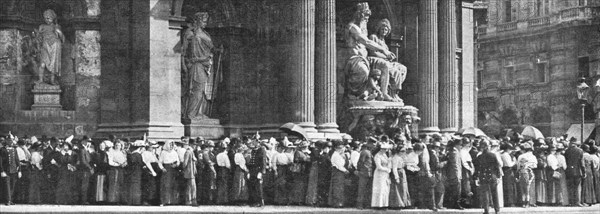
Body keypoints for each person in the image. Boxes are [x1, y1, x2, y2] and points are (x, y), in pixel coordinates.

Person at [343, 2, 397, 102]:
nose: (367, 20)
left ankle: (384, 93)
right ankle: (358, 96)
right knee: (363, 71)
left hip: (366, 59)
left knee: (384, 65)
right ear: (359, 15)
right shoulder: (352, 27)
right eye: (366, 17)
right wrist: (384, 51)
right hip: (355, 59)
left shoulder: (363, 29)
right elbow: (367, 42)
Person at [181, 12, 220, 120]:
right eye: (203, 21)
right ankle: (191, 114)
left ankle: (198, 112)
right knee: (196, 89)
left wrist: (218, 50)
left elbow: (211, 48)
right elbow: (183, 51)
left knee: (202, 89)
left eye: (206, 21)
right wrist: (184, 65)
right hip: (196, 64)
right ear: (197, 21)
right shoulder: (190, 33)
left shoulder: (206, 34)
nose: (205, 24)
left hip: (206, 64)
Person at [367, 18, 407, 101]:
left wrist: (390, 57)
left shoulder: (384, 43)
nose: (384, 31)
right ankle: (384, 92)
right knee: (389, 68)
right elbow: (372, 52)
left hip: (384, 61)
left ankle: (394, 93)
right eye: (382, 29)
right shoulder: (373, 37)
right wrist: (386, 57)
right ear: (378, 29)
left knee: (402, 68)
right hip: (375, 60)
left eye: (386, 29)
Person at [36, 9, 64, 85]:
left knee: (53, 64)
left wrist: (59, 31)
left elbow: (62, 39)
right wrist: (38, 45)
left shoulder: (57, 26)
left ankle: (52, 80)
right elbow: (38, 38)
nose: (47, 20)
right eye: (45, 18)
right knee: (42, 64)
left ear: (52, 17)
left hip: (55, 45)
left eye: (48, 18)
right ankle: (40, 80)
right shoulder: (41, 26)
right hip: (45, 46)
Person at [473, 140, 502, 214]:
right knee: (494, 193)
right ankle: (497, 209)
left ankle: (486, 210)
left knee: (485, 194)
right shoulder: (493, 155)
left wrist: (475, 177)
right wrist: (498, 176)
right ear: (488, 146)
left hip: (483, 176)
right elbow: (497, 166)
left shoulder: (479, 157)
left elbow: (477, 168)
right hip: (492, 176)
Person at [158, 141, 179, 206]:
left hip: (173, 170)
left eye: (172, 145)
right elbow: (160, 162)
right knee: (165, 185)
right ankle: (165, 201)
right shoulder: (163, 152)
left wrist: (176, 165)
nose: (171, 147)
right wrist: (162, 168)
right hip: (166, 170)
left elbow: (178, 161)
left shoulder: (174, 152)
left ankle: (173, 201)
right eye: (170, 145)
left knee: (173, 185)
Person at [328, 141, 349, 208]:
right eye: (341, 148)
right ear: (337, 148)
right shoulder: (336, 155)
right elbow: (339, 166)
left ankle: (339, 202)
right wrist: (345, 170)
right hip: (337, 172)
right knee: (337, 187)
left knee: (340, 187)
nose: (342, 150)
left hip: (340, 172)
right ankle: (337, 203)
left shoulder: (338, 155)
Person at [389, 144, 410, 209]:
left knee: (403, 188)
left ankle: (404, 203)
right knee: (397, 189)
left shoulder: (400, 157)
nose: (404, 152)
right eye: (402, 151)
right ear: (398, 151)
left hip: (402, 172)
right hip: (398, 173)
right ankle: (397, 204)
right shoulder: (395, 158)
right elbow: (394, 168)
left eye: (404, 151)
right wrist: (396, 177)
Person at [564, 140, 584, 206]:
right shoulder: (580, 151)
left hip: (569, 171)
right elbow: (582, 163)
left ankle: (571, 202)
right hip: (578, 171)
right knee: (577, 187)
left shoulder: (567, 151)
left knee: (570, 187)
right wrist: (584, 172)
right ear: (576, 144)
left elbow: (566, 161)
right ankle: (577, 202)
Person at [247, 140, 267, 207]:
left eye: (256, 142)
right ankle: (255, 201)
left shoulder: (262, 150)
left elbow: (263, 161)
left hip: (258, 169)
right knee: (253, 186)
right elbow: (251, 162)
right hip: (252, 170)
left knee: (258, 186)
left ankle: (260, 201)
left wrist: (261, 172)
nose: (254, 143)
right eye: (254, 142)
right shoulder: (253, 150)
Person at [371, 142, 392, 208]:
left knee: (385, 189)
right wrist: (386, 169)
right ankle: (378, 204)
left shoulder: (385, 155)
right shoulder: (377, 156)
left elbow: (388, 162)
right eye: (384, 149)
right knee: (380, 188)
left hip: (385, 174)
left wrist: (389, 167)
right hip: (379, 174)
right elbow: (379, 166)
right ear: (380, 149)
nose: (385, 150)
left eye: (386, 149)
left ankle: (384, 204)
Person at [1, 138, 21, 205]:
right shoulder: (2, 149)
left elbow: (17, 160)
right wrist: (1, 171)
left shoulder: (14, 149)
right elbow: (0, 161)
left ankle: (11, 199)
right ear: (6, 141)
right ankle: (8, 200)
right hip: (6, 170)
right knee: (7, 186)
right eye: (9, 140)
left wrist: (19, 171)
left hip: (14, 170)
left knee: (12, 185)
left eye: (11, 140)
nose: (10, 142)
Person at [290, 141, 311, 205]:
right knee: (298, 185)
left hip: (305, 170)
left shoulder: (308, 152)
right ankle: (297, 200)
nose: (306, 147)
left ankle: (302, 199)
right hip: (299, 170)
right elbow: (295, 160)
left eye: (306, 146)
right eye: (304, 146)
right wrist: (304, 159)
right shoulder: (298, 152)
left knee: (303, 185)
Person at [517, 142, 537, 207]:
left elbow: (518, 166)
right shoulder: (533, 156)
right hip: (530, 172)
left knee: (523, 188)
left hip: (522, 173)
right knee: (530, 187)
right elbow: (535, 165)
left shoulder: (520, 156)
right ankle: (530, 202)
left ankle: (523, 202)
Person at [356, 140, 374, 209]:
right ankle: (359, 204)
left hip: (368, 173)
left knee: (366, 189)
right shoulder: (365, 152)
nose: (373, 145)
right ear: (369, 144)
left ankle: (365, 204)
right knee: (362, 189)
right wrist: (359, 170)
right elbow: (361, 162)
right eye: (372, 144)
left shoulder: (369, 152)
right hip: (364, 173)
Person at [126, 141, 145, 205]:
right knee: (136, 186)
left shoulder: (132, 155)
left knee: (133, 186)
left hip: (133, 173)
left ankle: (132, 201)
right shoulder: (137, 155)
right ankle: (136, 201)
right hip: (136, 173)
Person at [181, 139, 198, 206]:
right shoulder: (188, 152)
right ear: (190, 144)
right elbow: (185, 163)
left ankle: (192, 201)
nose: (195, 146)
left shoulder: (191, 151)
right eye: (194, 144)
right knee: (191, 187)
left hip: (192, 172)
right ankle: (189, 201)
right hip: (189, 173)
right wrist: (184, 170)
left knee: (192, 187)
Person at [500, 143, 517, 207]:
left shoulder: (501, 154)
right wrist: (514, 161)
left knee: (506, 186)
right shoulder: (506, 155)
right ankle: (510, 202)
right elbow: (509, 164)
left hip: (505, 170)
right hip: (508, 170)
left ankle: (507, 201)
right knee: (509, 186)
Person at [77, 139, 94, 205]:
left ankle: (85, 200)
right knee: (84, 186)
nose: (89, 144)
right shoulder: (82, 150)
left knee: (86, 186)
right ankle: (83, 201)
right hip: (84, 170)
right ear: (84, 143)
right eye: (87, 142)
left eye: (89, 143)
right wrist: (90, 168)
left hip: (88, 171)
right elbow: (83, 162)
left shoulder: (88, 150)